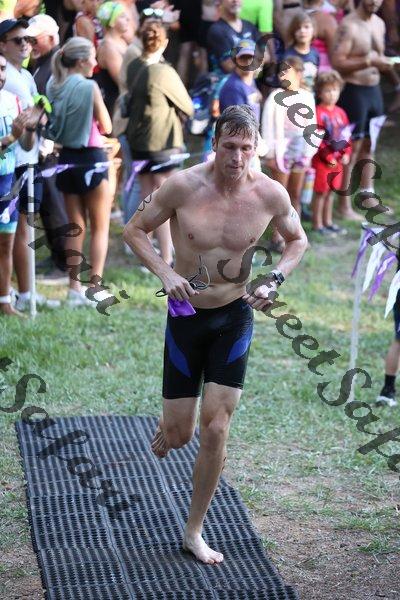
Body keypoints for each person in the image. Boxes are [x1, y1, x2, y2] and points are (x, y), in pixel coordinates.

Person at [123, 104, 308, 565]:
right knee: (180, 435)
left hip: (235, 315)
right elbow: (134, 230)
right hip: (186, 317)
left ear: (256, 148)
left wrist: (274, 279)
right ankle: (171, 425)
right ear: (215, 144)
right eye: (229, 146)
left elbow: (297, 240)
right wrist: (166, 273)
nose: (237, 157)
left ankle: (194, 530)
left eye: (246, 148)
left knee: (217, 427)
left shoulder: (270, 194)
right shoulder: (183, 185)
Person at [46, 36, 113, 306]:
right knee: (100, 227)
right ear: (82, 60)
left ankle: (73, 288)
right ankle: (95, 287)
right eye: (93, 57)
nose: (95, 62)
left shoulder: (54, 85)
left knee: (75, 227)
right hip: (92, 159)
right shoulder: (89, 86)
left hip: (66, 159)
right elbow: (107, 125)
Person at [0, 17, 59, 311]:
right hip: (15, 164)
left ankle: (22, 292)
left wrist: (38, 120)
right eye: (18, 40)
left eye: (29, 39)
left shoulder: (24, 74)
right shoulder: (8, 77)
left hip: (26, 157)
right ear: (2, 46)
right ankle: (19, 294)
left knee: (22, 229)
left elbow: (33, 116)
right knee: (18, 231)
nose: (26, 45)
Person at [126, 20, 193, 267]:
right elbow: (187, 106)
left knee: (147, 199)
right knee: (166, 202)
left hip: (137, 140)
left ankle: (145, 254)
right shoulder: (164, 72)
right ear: (164, 42)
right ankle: (166, 257)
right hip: (162, 142)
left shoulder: (133, 66)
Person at [331, 0, 400, 220]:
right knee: (351, 150)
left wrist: (387, 64)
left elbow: (378, 57)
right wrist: (368, 61)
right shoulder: (348, 25)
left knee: (370, 145)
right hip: (354, 91)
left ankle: (367, 196)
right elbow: (337, 62)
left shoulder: (379, 23)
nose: (374, 2)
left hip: (374, 90)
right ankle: (343, 205)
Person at [26, 13, 69, 276]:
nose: (29, 44)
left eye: (35, 39)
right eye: (27, 39)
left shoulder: (57, 64)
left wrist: (53, 139)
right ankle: (56, 255)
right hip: (39, 143)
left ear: (52, 38)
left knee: (55, 205)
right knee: (45, 203)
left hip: (52, 146)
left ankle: (64, 261)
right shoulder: (40, 63)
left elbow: (62, 106)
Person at [261, 56, 318, 251]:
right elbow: (267, 126)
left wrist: (309, 153)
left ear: (299, 74)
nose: (282, 76)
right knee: (281, 195)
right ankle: (277, 237)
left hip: (300, 150)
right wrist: (269, 154)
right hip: (281, 153)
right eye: (280, 72)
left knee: (295, 193)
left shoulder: (307, 97)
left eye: (287, 72)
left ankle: (296, 236)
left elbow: (311, 126)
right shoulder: (275, 97)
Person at [0, 51, 38, 317]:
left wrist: (30, 129)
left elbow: (25, 145)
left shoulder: (11, 99)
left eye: (3, 69)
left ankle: (4, 301)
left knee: (6, 244)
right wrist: (12, 137)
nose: (1, 75)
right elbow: (12, 140)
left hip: (7, 182)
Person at [311, 69, 351, 234]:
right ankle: (317, 224)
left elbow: (346, 135)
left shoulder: (341, 112)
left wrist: (346, 153)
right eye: (327, 90)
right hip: (323, 162)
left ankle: (328, 222)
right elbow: (317, 140)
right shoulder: (317, 112)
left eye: (335, 90)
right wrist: (328, 157)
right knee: (321, 192)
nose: (332, 94)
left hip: (338, 162)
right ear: (320, 92)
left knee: (331, 192)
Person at [95, 1, 132, 116]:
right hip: (115, 106)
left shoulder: (121, 41)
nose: (128, 19)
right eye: (122, 16)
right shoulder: (108, 47)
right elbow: (122, 81)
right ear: (111, 23)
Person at [284, 12, 320, 91]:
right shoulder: (288, 56)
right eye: (298, 28)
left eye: (306, 27)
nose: (302, 31)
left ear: (313, 30)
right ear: (293, 32)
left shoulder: (315, 53)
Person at [304, 0, 338, 72]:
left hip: (298, 71)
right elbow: (334, 56)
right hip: (323, 73)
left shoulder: (292, 17)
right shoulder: (328, 21)